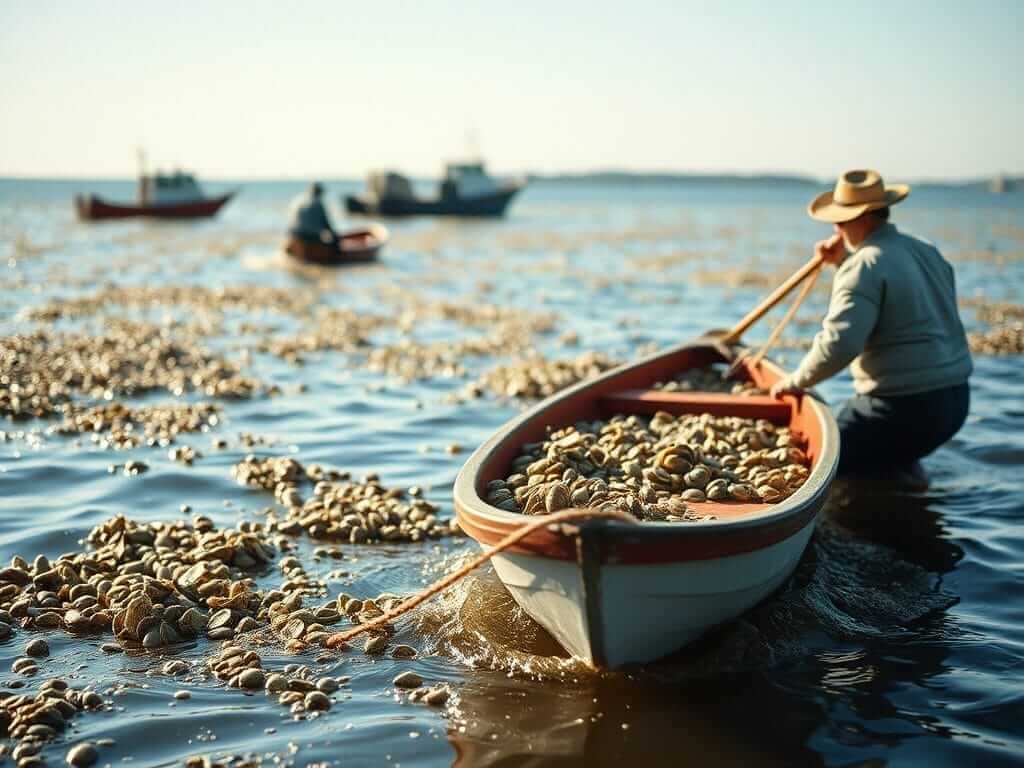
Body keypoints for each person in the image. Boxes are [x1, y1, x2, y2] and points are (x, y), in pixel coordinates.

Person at [769, 169, 972, 486]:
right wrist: (842, 262)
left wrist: (796, 381)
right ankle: (899, 491)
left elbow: (840, 345)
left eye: (839, 219)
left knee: (816, 458)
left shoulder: (863, 266)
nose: (835, 228)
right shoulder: (925, 250)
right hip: (956, 402)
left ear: (858, 218)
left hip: (901, 409)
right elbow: (897, 302)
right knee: (884, 457)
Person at [287, 183, 336, 248]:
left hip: (294, 233)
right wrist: (335, 236)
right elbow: (325, 222)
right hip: (308, 235)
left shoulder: (299, 200)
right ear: (319, 192)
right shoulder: (317, 203)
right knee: (333, 242)